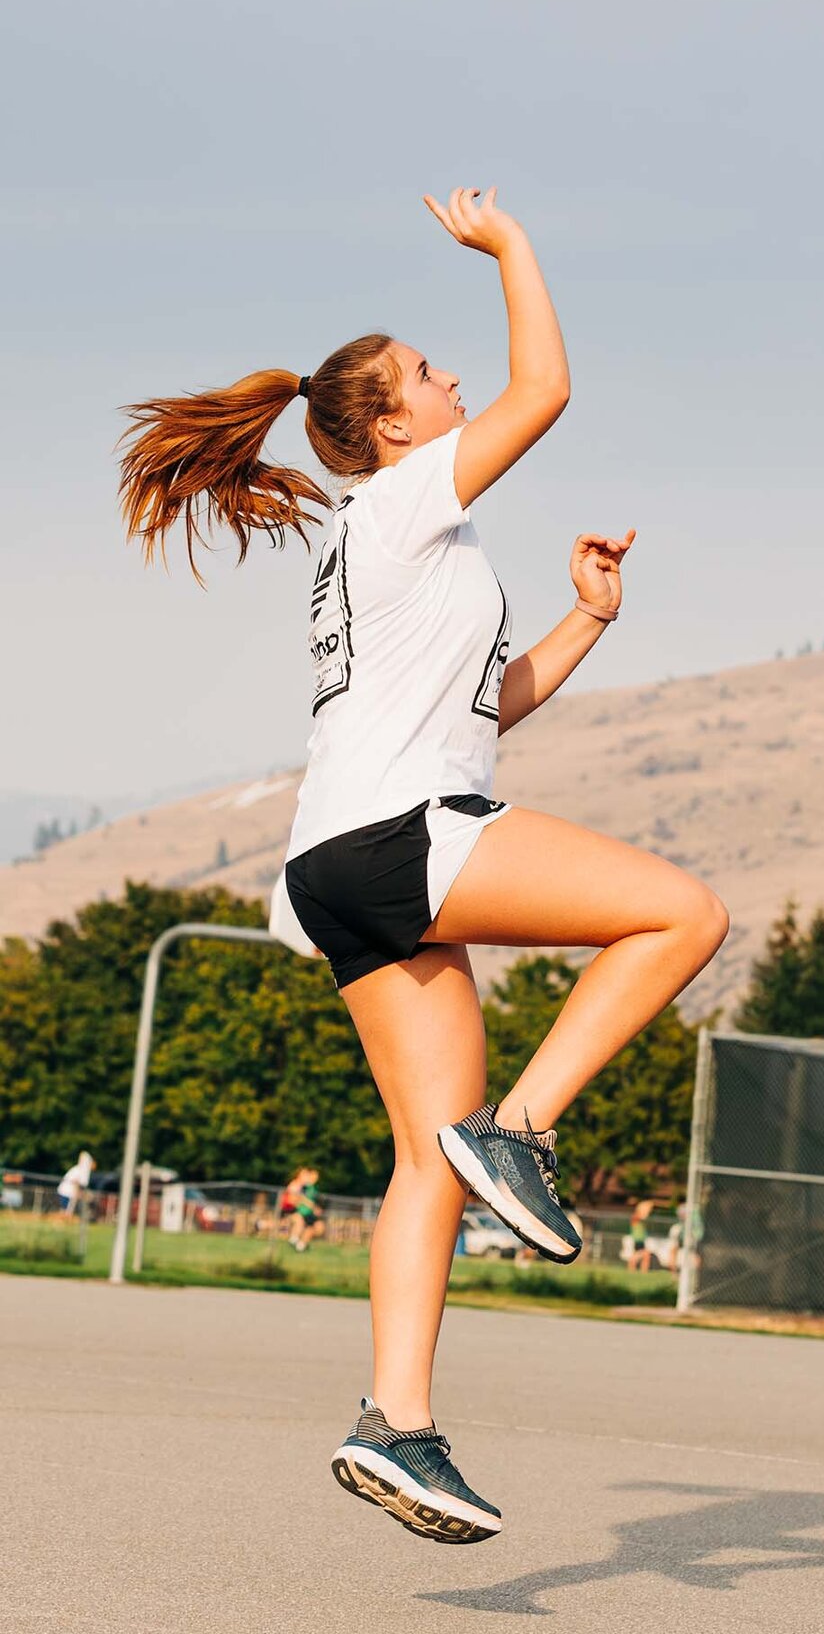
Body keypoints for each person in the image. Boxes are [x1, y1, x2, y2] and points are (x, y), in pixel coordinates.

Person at [119, 187, 729, 1546]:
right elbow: (547, 386)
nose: (449, 376)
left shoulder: (391, 539)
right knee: (682, 914)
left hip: (339, 862)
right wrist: (511, 246)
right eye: (423, 371)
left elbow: (488, 708)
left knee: (421, 1165)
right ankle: (527, 1124)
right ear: (391, 427)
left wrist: (585, 617)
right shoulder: (398, 503)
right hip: (405, 836)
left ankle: (398, 1427)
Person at [54, 1151, 95, 1222]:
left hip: (70, 1192)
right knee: (65, 1210)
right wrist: (77, 1194)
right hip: (67, 1192)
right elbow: (76, 1185)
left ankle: (84, 1217)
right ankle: (64, 1220)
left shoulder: (81, 1170)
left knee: (89, 1198)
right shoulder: (79, 1170)